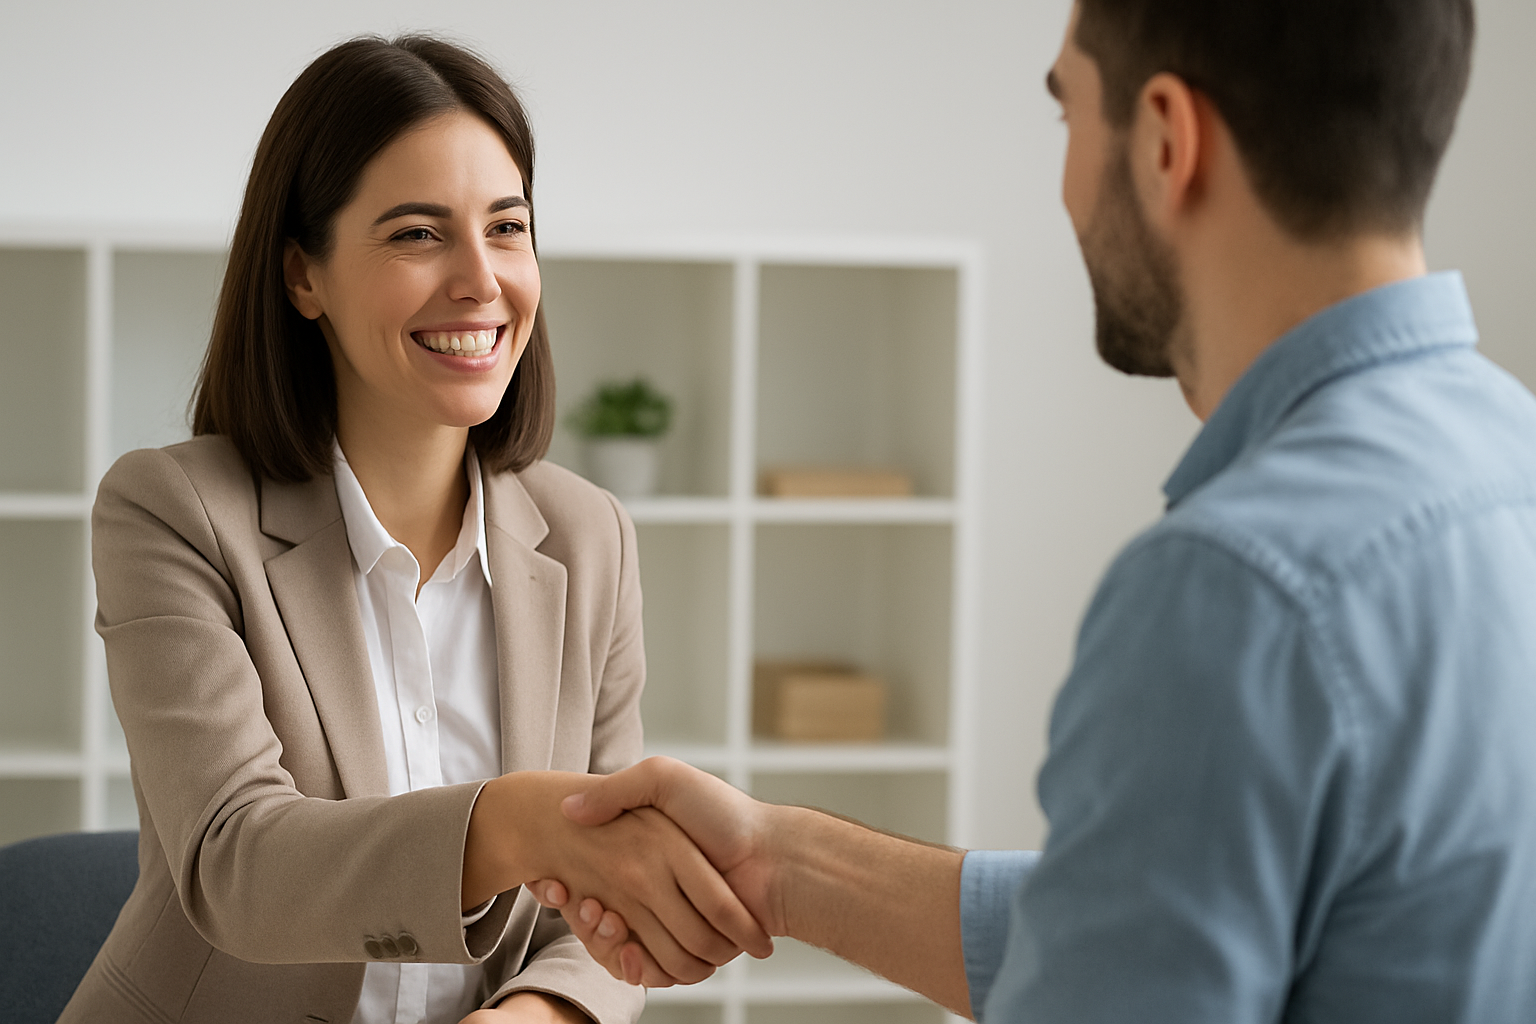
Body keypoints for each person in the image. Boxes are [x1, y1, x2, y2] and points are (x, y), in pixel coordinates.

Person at [530, 0, 1536, 1020]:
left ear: (1164, 139)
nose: (1063, 182)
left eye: (1068, 119)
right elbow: (1148, 924)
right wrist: (783, 861)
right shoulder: (1511, 455)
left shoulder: (1236, 582)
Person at [63, 36, 768, 1024]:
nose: (481, 280)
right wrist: (516, 825)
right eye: (417, 234)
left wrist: (538, 1016)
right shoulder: (174, 511)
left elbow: (609, 919)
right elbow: (236, 862)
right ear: (304, 276)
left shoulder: (589, 535)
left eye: (508, 228)